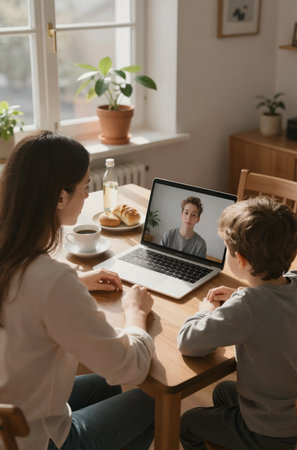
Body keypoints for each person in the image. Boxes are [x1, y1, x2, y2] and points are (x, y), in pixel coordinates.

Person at [0, 131, 155, 450]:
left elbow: (26, 290)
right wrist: (135, 314)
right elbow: (128, 366)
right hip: (39, 440)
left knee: (108, 387)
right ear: (60, 198)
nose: (87, 195)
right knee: (152, 402)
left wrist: (77, 279)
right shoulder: (52, 282)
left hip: (14, 410)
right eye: (85, 187)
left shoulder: (13, 255)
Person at [177, 196, 297, 450]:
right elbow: (273, 302)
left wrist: (206, 311)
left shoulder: (247, 306)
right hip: (288, 410)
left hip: (269, 431)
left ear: (240, 261)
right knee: (222, 392)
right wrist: (240, 295)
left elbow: (188, 342)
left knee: (187, 423)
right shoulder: (292, 282)